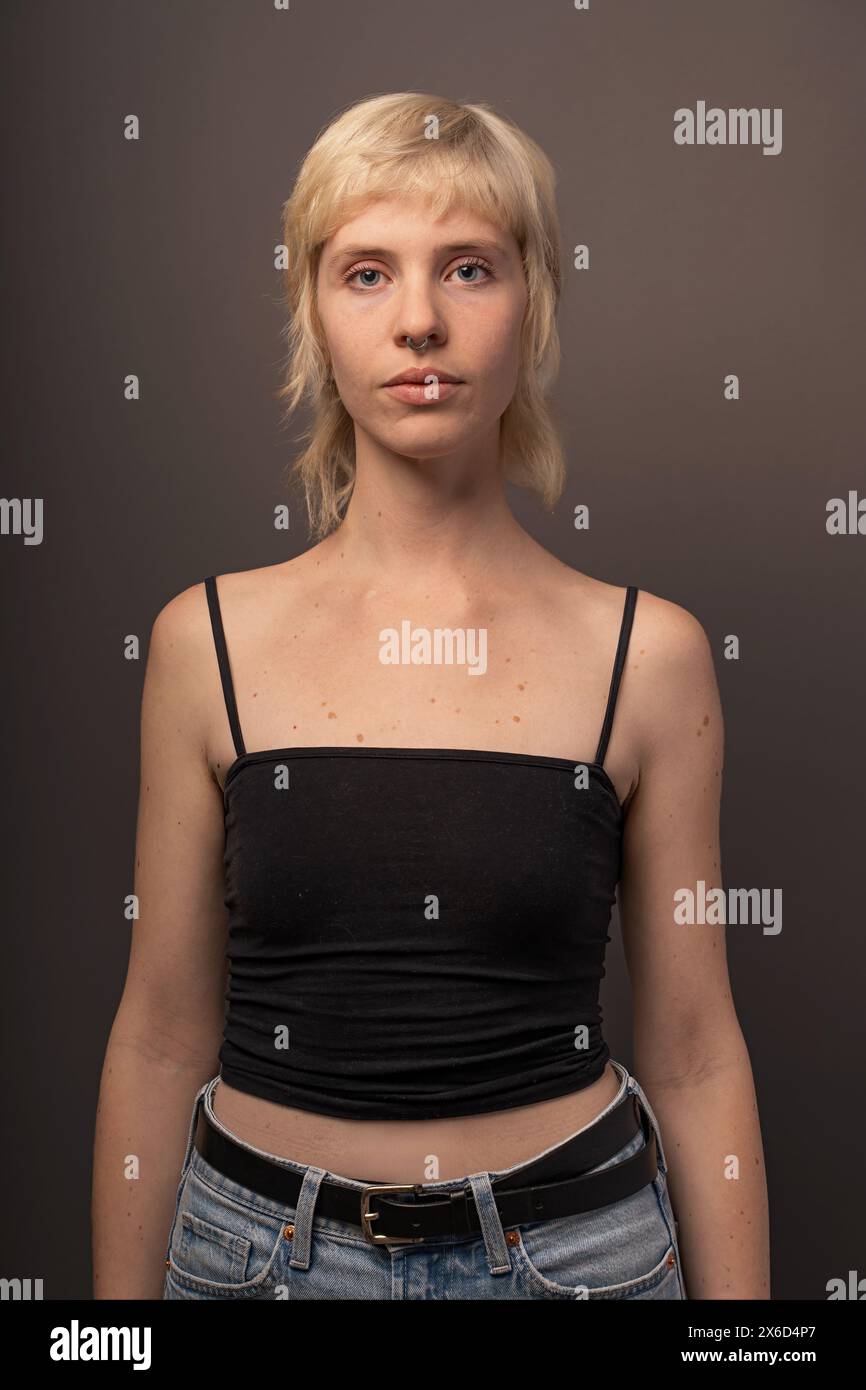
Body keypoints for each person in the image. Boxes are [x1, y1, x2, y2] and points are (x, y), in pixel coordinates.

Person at [91, 91, 769, 1300]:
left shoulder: (647, 654)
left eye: (467, 268)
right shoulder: (205, 644)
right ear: (312, 310)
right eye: (365, 273)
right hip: (254, 1263)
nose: (418, 321)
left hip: (578, 1262)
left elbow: (695, 1050)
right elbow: (156, 1034)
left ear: (533, 304)